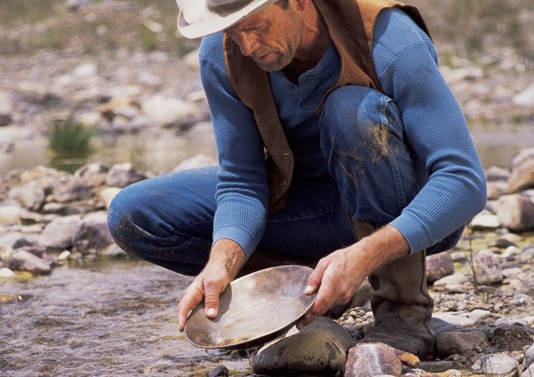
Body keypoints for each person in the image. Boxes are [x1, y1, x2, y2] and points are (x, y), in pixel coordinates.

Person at [107, 0, 487, 358]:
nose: (248, 45)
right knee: (135, 214)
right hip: (304, 206)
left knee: (350, 111)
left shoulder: (389, 38)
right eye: (234, 32)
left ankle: (402, 312)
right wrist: (222, 260)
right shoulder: (223, 51)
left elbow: (462, 179)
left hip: (399, 209)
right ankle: (301, 295)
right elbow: (242, 180)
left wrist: (363, 255)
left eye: (256, 26)